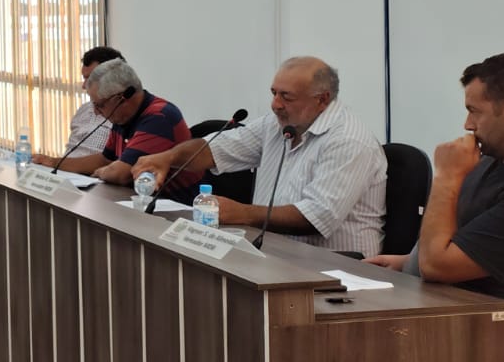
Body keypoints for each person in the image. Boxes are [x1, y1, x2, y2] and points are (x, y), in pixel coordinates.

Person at [367, 53, 504, 362]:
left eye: (474, 111)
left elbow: (438, 266)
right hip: (437, 314)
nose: (468, 125)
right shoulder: (496, 159)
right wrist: (408, 261)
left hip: (482, 342)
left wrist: (447, 177)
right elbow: (463, 242)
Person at [135, 56, 386, 254]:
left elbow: (317, 216)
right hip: (277, 254)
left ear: (322, 99)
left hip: (337, 267)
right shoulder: (277, 125)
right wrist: (168, 158)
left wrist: (243, 213)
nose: (275, 104)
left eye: (286, 97)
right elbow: (214, 149)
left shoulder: (348, 140)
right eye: (274, 93)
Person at [51, 59, 202, 200]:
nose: (96, 112)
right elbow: (105, 159)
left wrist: (102, 172)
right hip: (135, 200)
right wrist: (52, 162)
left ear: (122, 98)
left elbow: (121, 174)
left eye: (100, 105)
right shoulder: (122, 115)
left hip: (175, 207)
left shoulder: (159, 117)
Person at [34, 44, 123, 168]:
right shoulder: (84, 110)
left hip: (93, 177)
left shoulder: (122, 116)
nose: (84, 86)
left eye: (90, 79)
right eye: (84, 78)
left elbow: (109, 162)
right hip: (63, 173)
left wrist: (54, 162)